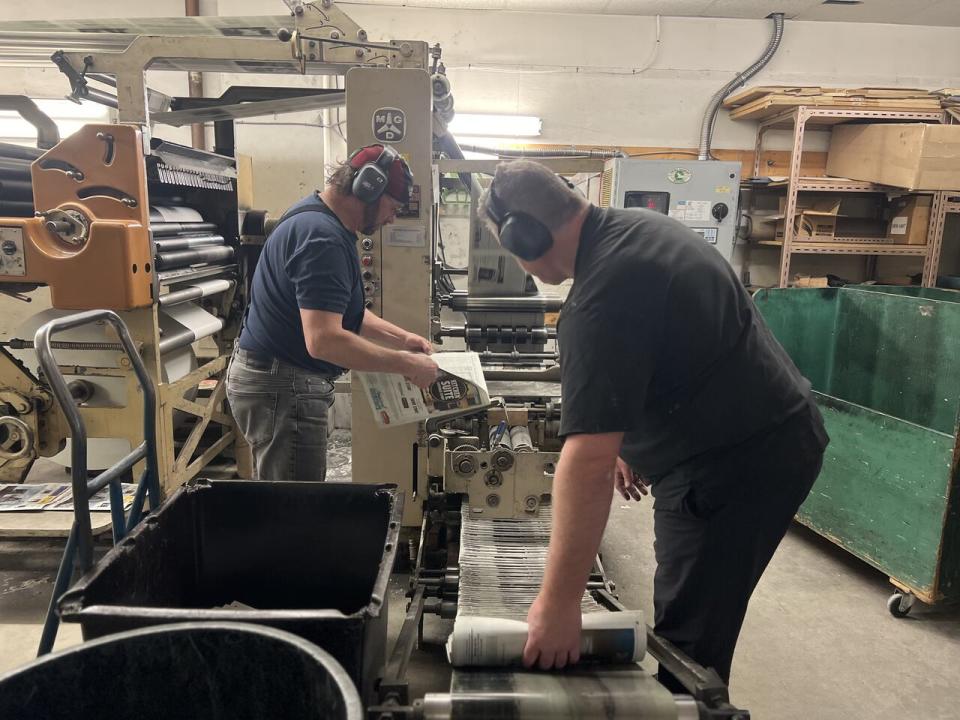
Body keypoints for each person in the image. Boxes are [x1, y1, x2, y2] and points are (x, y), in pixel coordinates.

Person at [477, 160, 828, 692]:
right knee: (694, 620)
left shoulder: (598, 302)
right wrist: (627, 435)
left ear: (524, 235)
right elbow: (676, 352)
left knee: (689, 647)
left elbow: (586, 464)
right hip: (772, 432)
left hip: (736, 467)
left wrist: (558, 605)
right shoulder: (641, 229)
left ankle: (692, 703)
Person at [227, 144, 439, 481]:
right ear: (368, 188)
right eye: (392, 207)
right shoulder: (322, 239)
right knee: (296, 513)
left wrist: (402, 339)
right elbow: (324, 340)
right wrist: (405, 365)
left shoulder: (316, 218)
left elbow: (340, 312)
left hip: (275, 381)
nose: (393, 218)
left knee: (287, 502)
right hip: (285, 388)